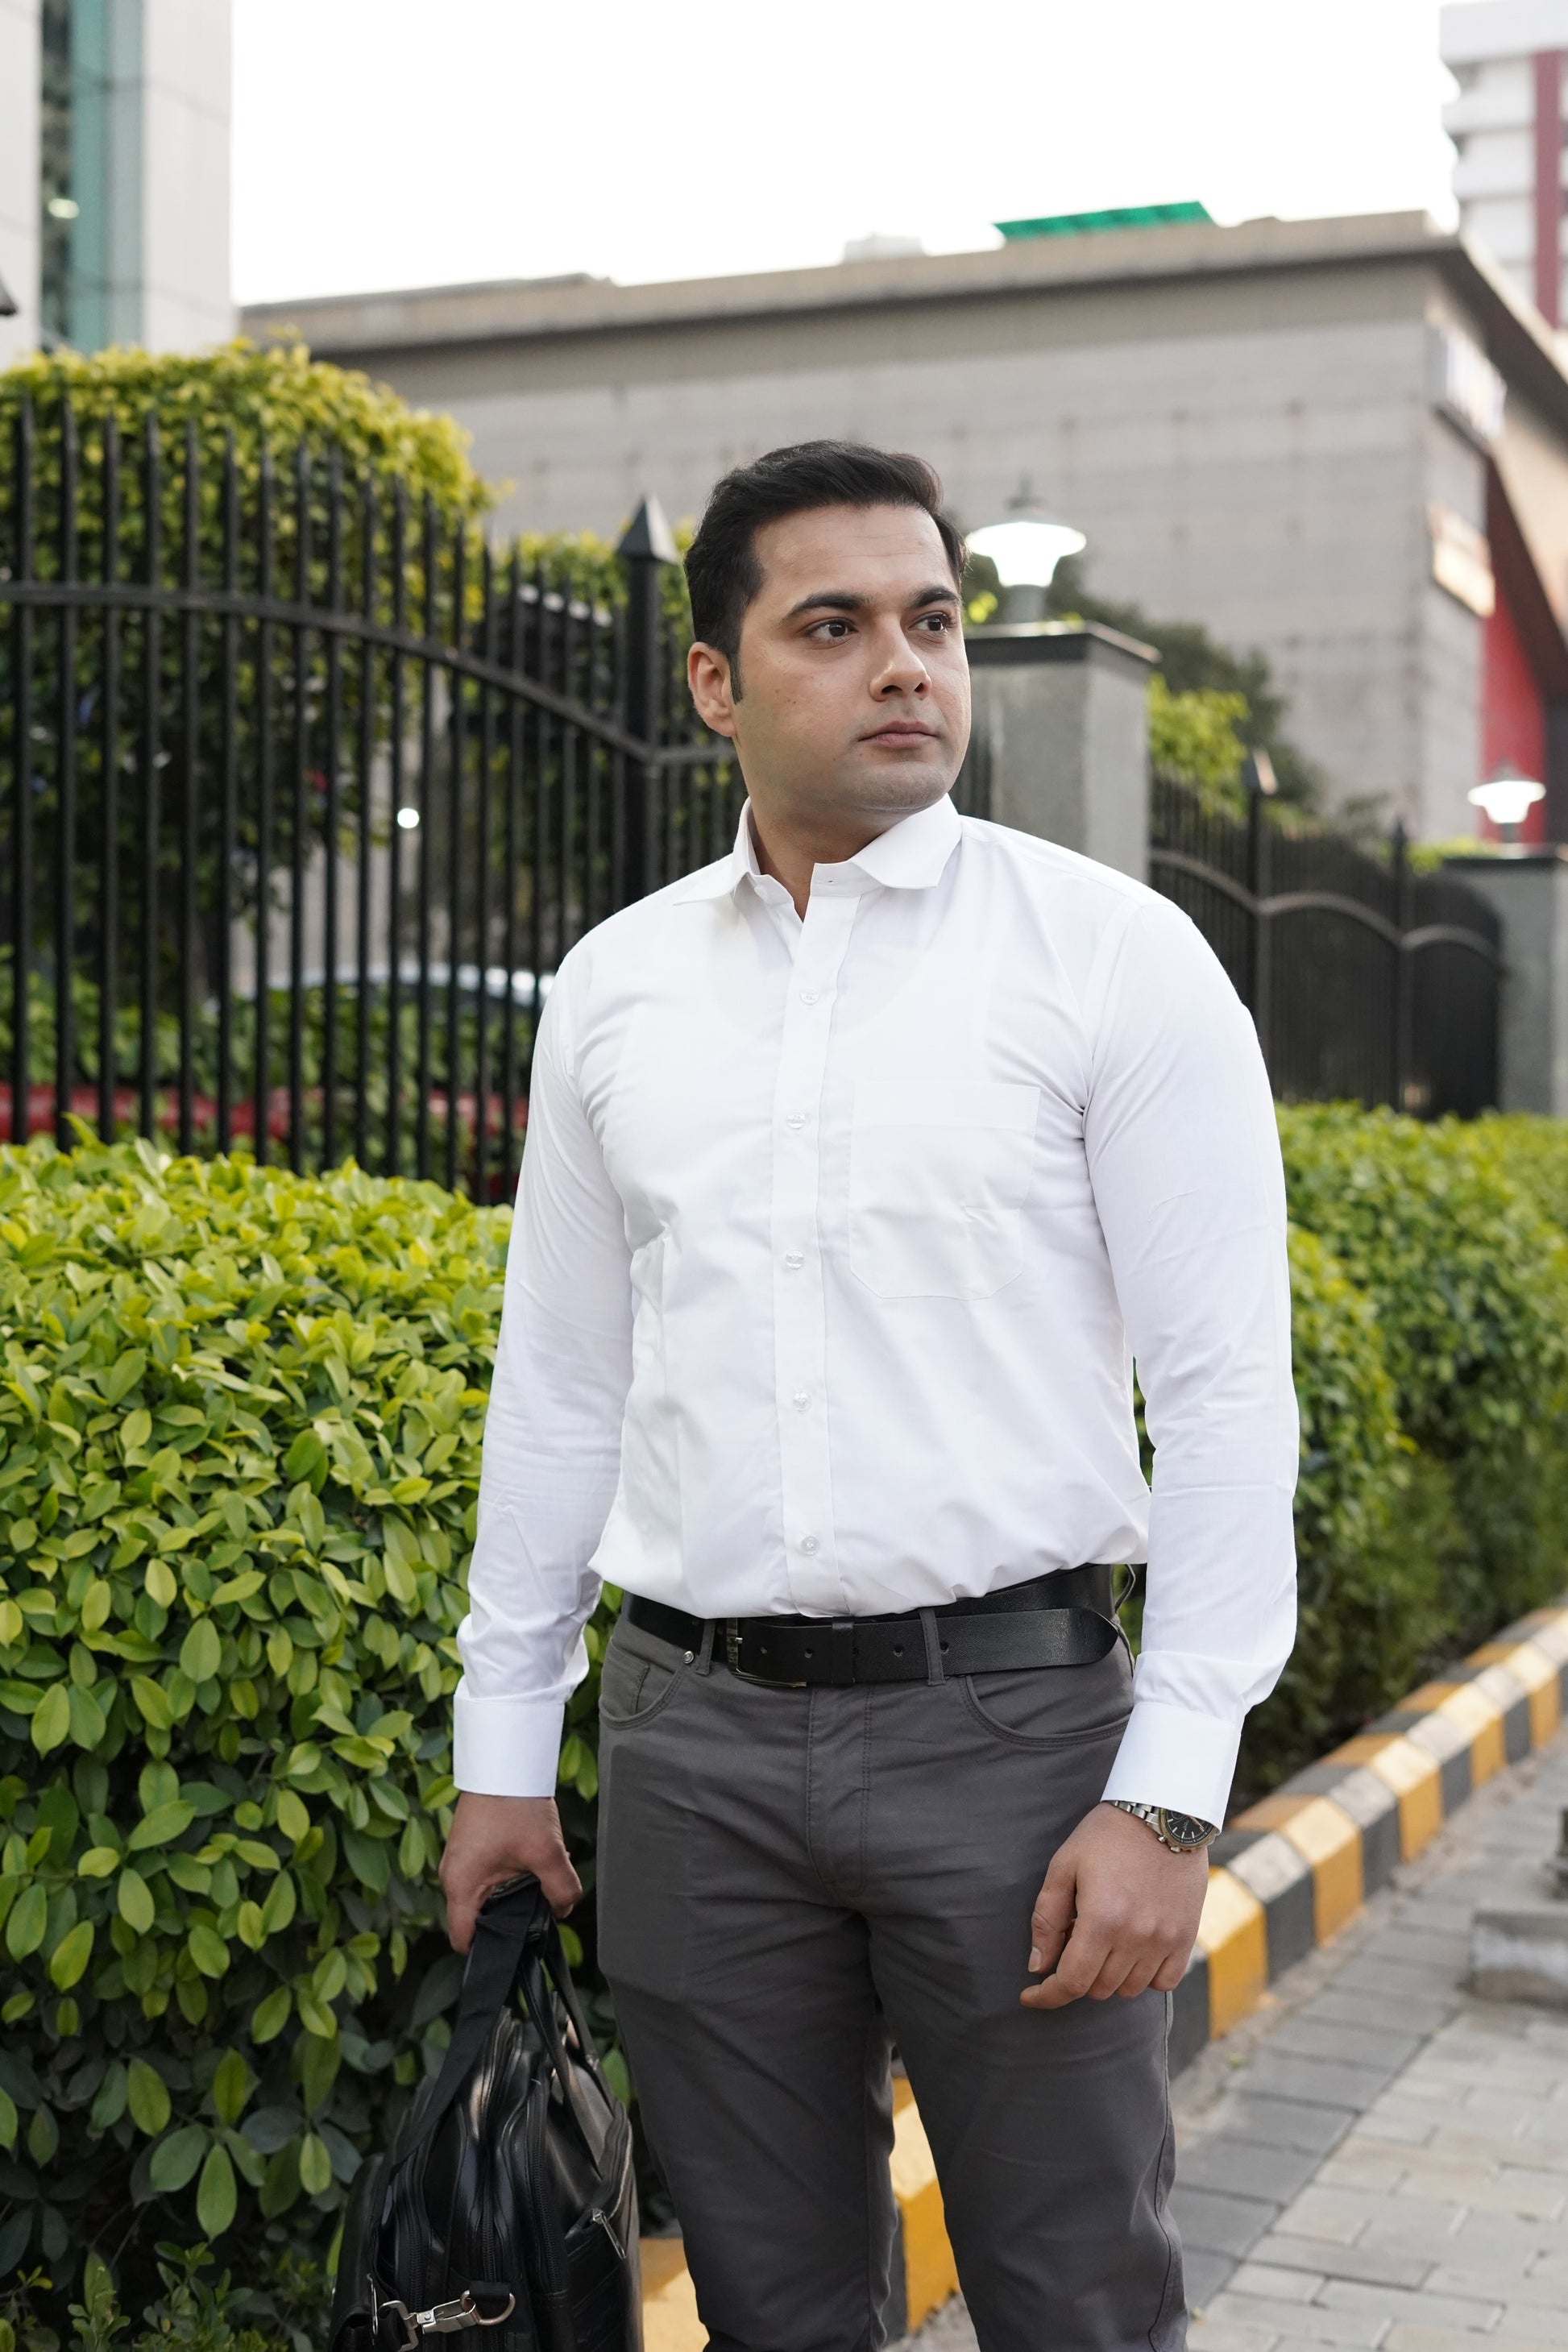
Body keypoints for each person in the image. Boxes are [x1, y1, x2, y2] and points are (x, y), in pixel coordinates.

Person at [440, 442, 1298, 2352]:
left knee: (1076, 2300)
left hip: (1013, 1741)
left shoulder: (1110, 957)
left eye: (931, 620)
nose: (903, 662)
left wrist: (1169, 1794)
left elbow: (1229, 1395)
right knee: (770, 2308)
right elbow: (563, 1382)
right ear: (715, 680)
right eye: (831, 625)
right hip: (692, 1749)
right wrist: (505, 1745)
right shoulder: (616, 988)